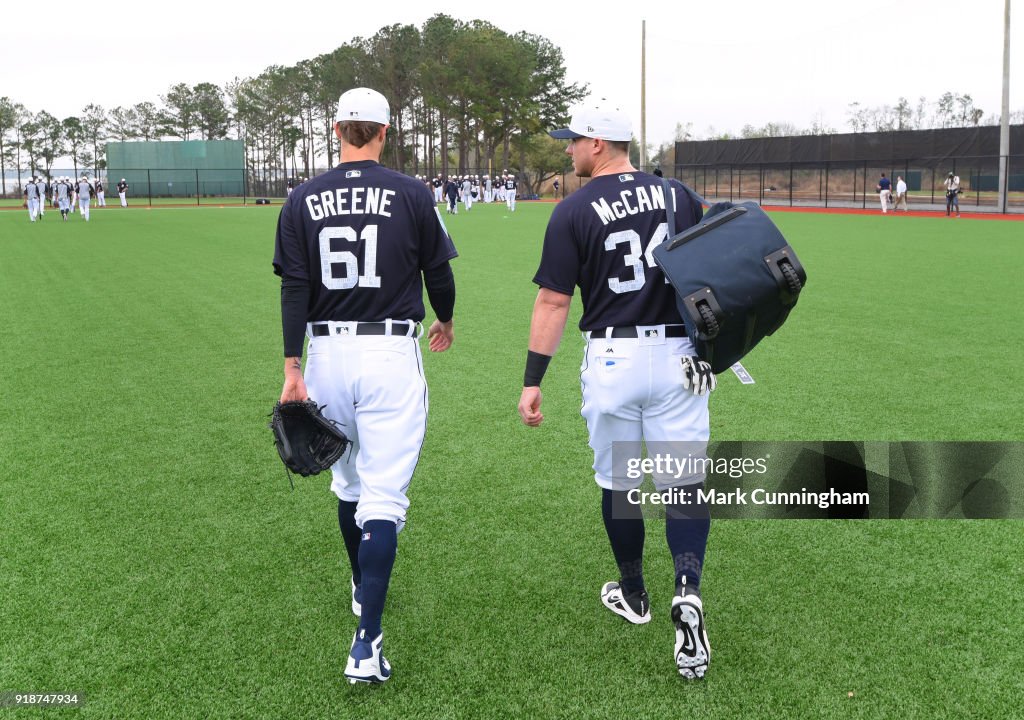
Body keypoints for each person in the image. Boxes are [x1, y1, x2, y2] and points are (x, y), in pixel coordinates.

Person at [517, 99, 714, 680]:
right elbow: (712, 269)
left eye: (574, 140)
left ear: (598, 143)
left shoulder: (573, 208)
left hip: (613, 356)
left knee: (621, 482)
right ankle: (687, 589)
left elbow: (554, 301)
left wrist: (532, 380)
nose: (569, 149)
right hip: (681, 354)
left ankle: (634, 593)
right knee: (683, 481)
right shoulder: (678, 195)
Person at [273, 87, 457, 685]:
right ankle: (365, 644)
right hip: (389, 351)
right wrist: (446, 319)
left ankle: (360, 586)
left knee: (347, 482)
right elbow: (438, 274)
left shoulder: (301, 198)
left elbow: (294, 289)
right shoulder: (411, 192)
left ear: (335, 129)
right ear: (385, 131)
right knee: (384, 497)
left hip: (325, 353)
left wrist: (292, 367)